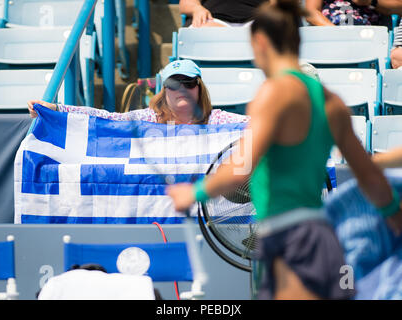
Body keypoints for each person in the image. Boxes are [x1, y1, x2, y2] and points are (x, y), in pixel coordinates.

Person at [167, 0, 402, 300]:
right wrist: (395, 217)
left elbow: (242, 166)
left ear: (261, 42)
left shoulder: (273, 93)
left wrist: (194, 193)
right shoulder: (333, 102)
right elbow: (369, 175)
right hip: (321, 238)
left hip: (289, 241)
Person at [28, 59, 249, 125]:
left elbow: (256, 125)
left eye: (188, 82)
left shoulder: (218, 120)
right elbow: (107, 118)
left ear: (200, 89)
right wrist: (57, 109)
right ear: (163, 91)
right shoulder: (149, 119)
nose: (181, 89)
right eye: (174, 84)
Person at [305, 0, 402, 27]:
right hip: (330, 32)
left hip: (368, 35)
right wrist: (336, 33)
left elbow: (399, 7)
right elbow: (310, 13)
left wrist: (371, 1)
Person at [179, 0, 268, 27]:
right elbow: (186, 3)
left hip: (256, 21)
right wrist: (197, 9)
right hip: (213, 20)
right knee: (202, 29)